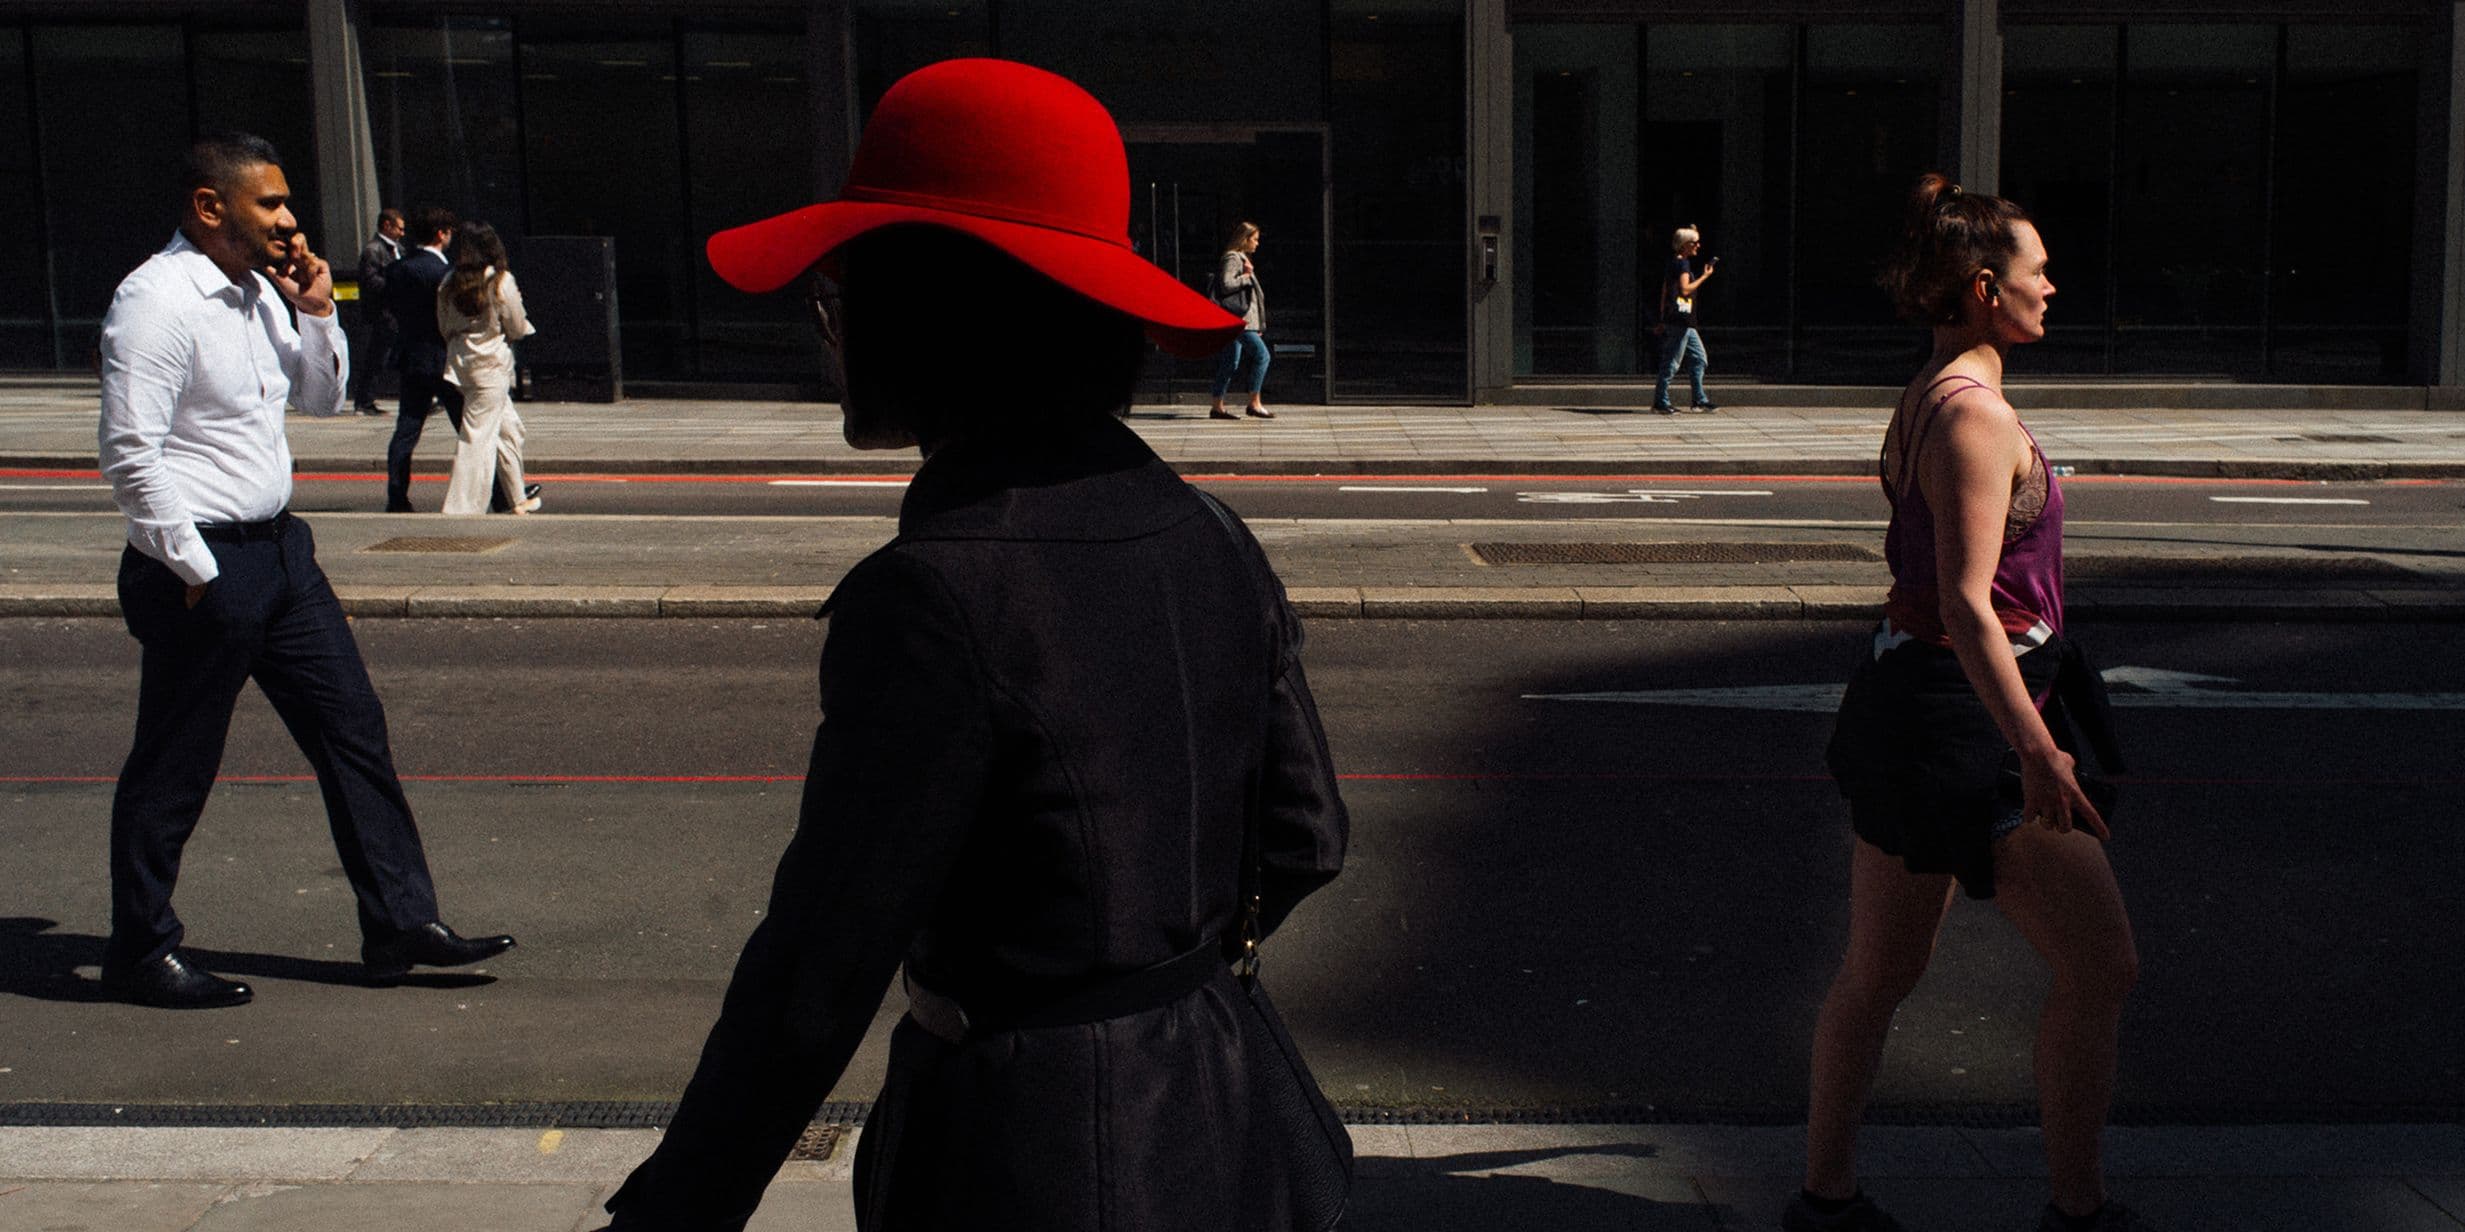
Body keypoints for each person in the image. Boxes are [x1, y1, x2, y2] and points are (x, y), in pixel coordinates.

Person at [597, 59, 1350, 1232]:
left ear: (935, 315)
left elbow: (822, 962)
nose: (830, 332)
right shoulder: (1205, 526)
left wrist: (673, 1208)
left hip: (1024, 1151)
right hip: (1227, 1109)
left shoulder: (931, 591)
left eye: (844, 298)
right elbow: (1307, 836)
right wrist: (1160, 973)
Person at [94, 132, 516, 1010]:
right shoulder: (157, 301)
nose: (291, 221)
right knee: (175, 763)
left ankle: (399, 922)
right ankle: (140, 949)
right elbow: (131, 454)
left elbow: (320, 399)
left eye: (287, 204)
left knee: (351, 726)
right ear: (212, 208)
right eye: (272, 204)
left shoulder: (257, 295)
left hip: (283, 553)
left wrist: (319, 310)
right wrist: (198, 569)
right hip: (203, 562)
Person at [1794, 174, 2144, 1232]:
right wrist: (2036, 750)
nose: (2054, 286)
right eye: (2038, 271)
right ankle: (2076, 1210)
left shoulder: (1925, 397)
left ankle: (1824, 1197)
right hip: (1968, 724)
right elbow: (1964, 601)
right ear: (1987, 288)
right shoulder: (1971, 417)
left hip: (1915, 708)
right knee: (2101, 963)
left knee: (1879, 969)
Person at [437, 221, 541, 516]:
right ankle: (462, 509)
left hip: (461, 364)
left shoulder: (448, 282)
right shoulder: (499, 281)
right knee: (477, 436)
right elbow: (517, 326)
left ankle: (517, 498)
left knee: (510, 430)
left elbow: (443, 326)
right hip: (492, 366)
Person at [381, 205, 466, 512]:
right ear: (442, 234)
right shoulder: (444, 273)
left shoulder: (397, 269)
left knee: (407, 428)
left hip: (412, 357)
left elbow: (388, 308)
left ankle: (397, 495)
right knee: (469, 429)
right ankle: (497, 492)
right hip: (442, 358)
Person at [1208, 220, 1273, 420]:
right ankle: (1254, 403)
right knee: (1263, 356)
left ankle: (1217, 406)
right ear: (1244, 239)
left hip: (1243, 321)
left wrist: (1258, 323)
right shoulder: (1233, 258)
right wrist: (1246, 276)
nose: (1257, 243)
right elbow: (1227, 284)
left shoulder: (1241, 258)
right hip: (1240, 321)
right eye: (1254, 239)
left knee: (1230, 362)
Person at [1652, 225, 1718, 414]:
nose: (1698, 245)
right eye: (1695, 242)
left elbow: (1665, 291)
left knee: (1699, 358)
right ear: (1685, 245)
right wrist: (1705, 276)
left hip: (1684, 322)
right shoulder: (1682, 264)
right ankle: (1661, 401)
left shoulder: (1674, 263)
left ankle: (1699, 399)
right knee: (1672, 362)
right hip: (1680, 322)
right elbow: (1685, 289)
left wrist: (1662, 318)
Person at [350, 207, 404, 415]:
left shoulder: (397, 249)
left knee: (387, 356)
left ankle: (367, 399)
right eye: (399, 228)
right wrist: (396, 284)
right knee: (376, 357)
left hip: (395, 312)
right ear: (386, 225)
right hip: (381, 314)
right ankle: (363, 400)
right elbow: (370, 280)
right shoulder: (374, 250)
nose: (401, 233)